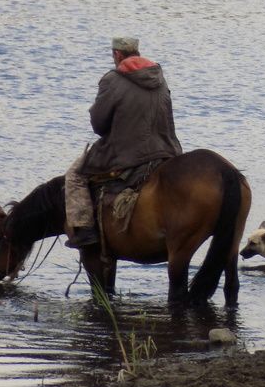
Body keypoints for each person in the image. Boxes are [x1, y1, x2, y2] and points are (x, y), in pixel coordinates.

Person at [64, 37, 183, 249]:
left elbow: (99, 125)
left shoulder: (112, 79)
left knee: (75, 176)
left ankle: (85, 231)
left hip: (127, 154)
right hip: (166, 150)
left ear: (117, 55)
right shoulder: (159, 77)